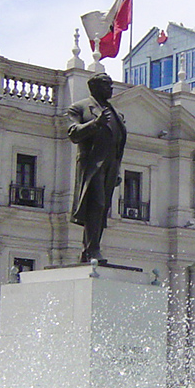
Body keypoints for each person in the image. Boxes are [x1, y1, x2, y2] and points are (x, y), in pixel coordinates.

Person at [67, 74, 127, 263]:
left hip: (109, 166)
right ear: (94, 87)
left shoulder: (116, 113)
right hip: (92, 164)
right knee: (96, 204)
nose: (111, 88)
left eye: (111, 85)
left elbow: (118, 143)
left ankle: (89, 250)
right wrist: (95, 123)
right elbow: (73, 133)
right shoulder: (80, 107)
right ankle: (93, 249)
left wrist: (116, 170)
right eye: (106, 85)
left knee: (102, 209)